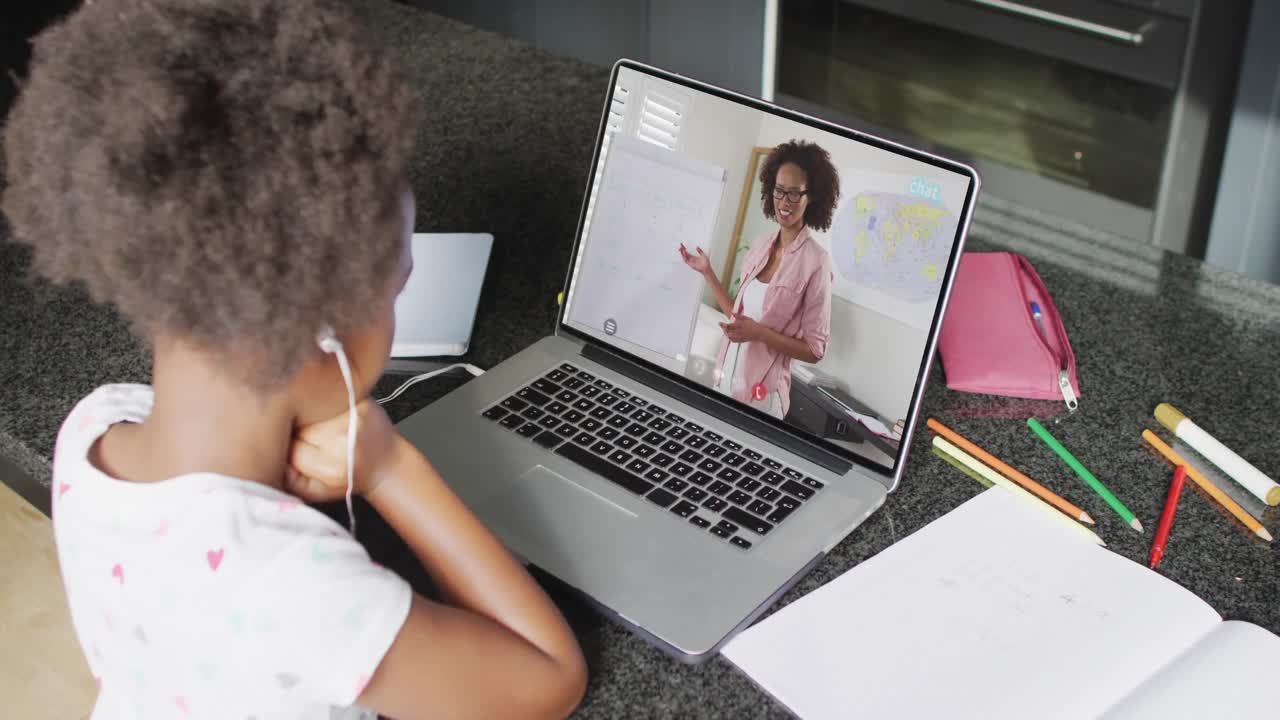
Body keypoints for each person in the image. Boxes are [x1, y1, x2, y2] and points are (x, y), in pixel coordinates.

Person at [1, 1, 587, 718]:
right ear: (328, 327)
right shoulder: (294, 588)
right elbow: (549, 680)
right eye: (397, 284)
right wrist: (390, 467)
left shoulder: (92, 428)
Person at [679, 140, 839, 419]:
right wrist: (708, 272)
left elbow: (815, 350)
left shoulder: (817, 263)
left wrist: (760, 334)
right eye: (779, 191)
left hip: (763, 398)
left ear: (811, 197)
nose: (784, 203)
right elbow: (740, 318)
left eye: (794, 194)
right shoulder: (760, 246)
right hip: (725, 381)